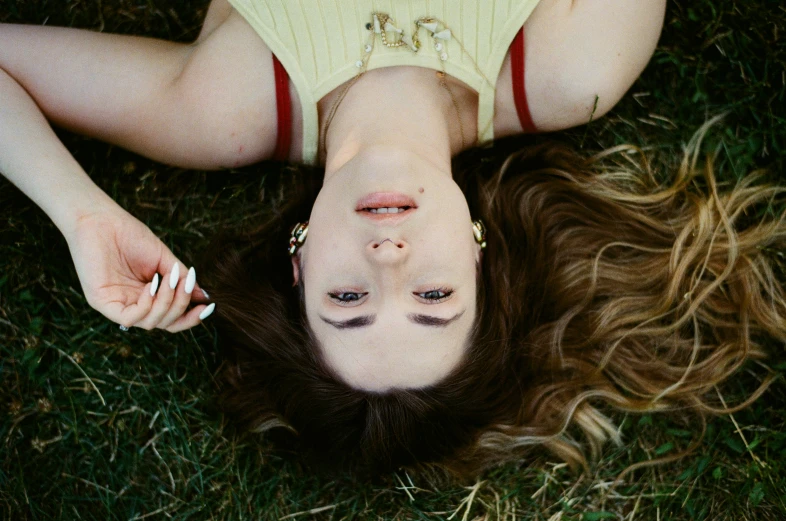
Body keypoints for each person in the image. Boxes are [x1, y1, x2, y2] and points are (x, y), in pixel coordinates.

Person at [9, 0, 782, 477]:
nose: (389, 260)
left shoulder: (222, 108)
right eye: (433, 296)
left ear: (300, 259)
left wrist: (84, 214)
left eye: (348, 298)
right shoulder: (576, 67)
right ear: (481, 252)